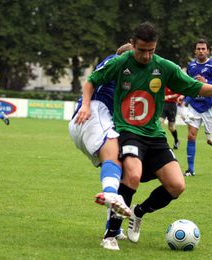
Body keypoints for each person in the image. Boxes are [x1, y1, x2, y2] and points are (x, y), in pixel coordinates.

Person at [75, 22, 212, 250]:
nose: (146, 55)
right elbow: (91, 81)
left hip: (155, 135)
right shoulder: (121, 62)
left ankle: (138, 213)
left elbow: (193, 87)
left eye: (151, 50)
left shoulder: (164, 67)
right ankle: (110, 234)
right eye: (141, 50)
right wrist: (85, 106)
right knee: (132, 175)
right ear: (133, 45)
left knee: (177, 185)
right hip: (129, 131)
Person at [69, 43, 134, 238]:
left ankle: (111, 226)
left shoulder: (123, 81)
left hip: (87, 124)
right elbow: (91, 81)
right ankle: (110, 195)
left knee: (119, 168)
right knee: (114, 160)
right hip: (93, 114)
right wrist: (87, 106)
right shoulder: (117, 61)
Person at [181, 39, 212, 176]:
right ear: (195, 51)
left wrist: (206, 82)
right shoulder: (191, 66)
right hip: (195, 106)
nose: (201, 51)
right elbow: (191, 86)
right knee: (191, 136)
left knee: (210, 140)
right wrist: (184, 98)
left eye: (204, 49)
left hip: (210, 105)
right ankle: (190, 170)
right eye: (199, 48)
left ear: (208, 50)